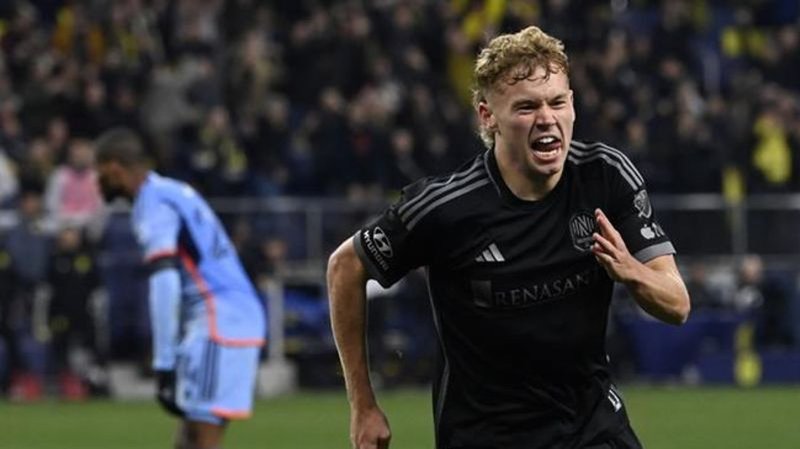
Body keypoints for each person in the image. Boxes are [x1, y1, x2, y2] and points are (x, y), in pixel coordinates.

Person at [327, 26, 691, 449]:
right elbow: (344, 268)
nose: (546, 118)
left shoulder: (605, 177)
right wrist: (363, 405)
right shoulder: (445, 208)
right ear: (487, 116)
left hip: (591, 429)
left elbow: (677, 304)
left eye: (557, 102)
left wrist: (632, 271)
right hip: (486, 436)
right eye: (526, 107)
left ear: (572, 104)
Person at [93, 128, 266, 449]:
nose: (97, 183)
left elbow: (165, 280)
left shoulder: (152, 203)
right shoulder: (172, 190)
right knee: (187, 441)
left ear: (115, 168)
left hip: (218, 320)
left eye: (100, 174)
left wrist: (164, 361)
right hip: (226, 317)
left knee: (201, 440)